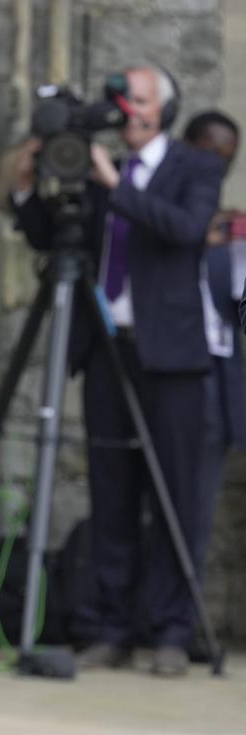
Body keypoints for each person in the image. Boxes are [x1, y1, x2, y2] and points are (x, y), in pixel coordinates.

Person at [10, 65, 224, 677]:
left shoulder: (195, 167)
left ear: (164, 108)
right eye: (122, 99)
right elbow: (53, 237)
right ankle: (108, 625)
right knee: (113, 493)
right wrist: (27, 188)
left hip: (174, 355)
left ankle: (170, 631)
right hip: (107, 348)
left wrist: (115, 183)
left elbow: (184, 231)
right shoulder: (97, 165)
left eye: (139, 99)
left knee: (174, 494)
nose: (127, 108)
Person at [183, 111, 246, 621]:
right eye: (209, 154)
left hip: (215, 378)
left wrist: (235, 252)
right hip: (164, 367)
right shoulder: (173, 217)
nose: (217, 168)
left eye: (228, 160)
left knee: (197, 511)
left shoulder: (232, 237)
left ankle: (181, 627)